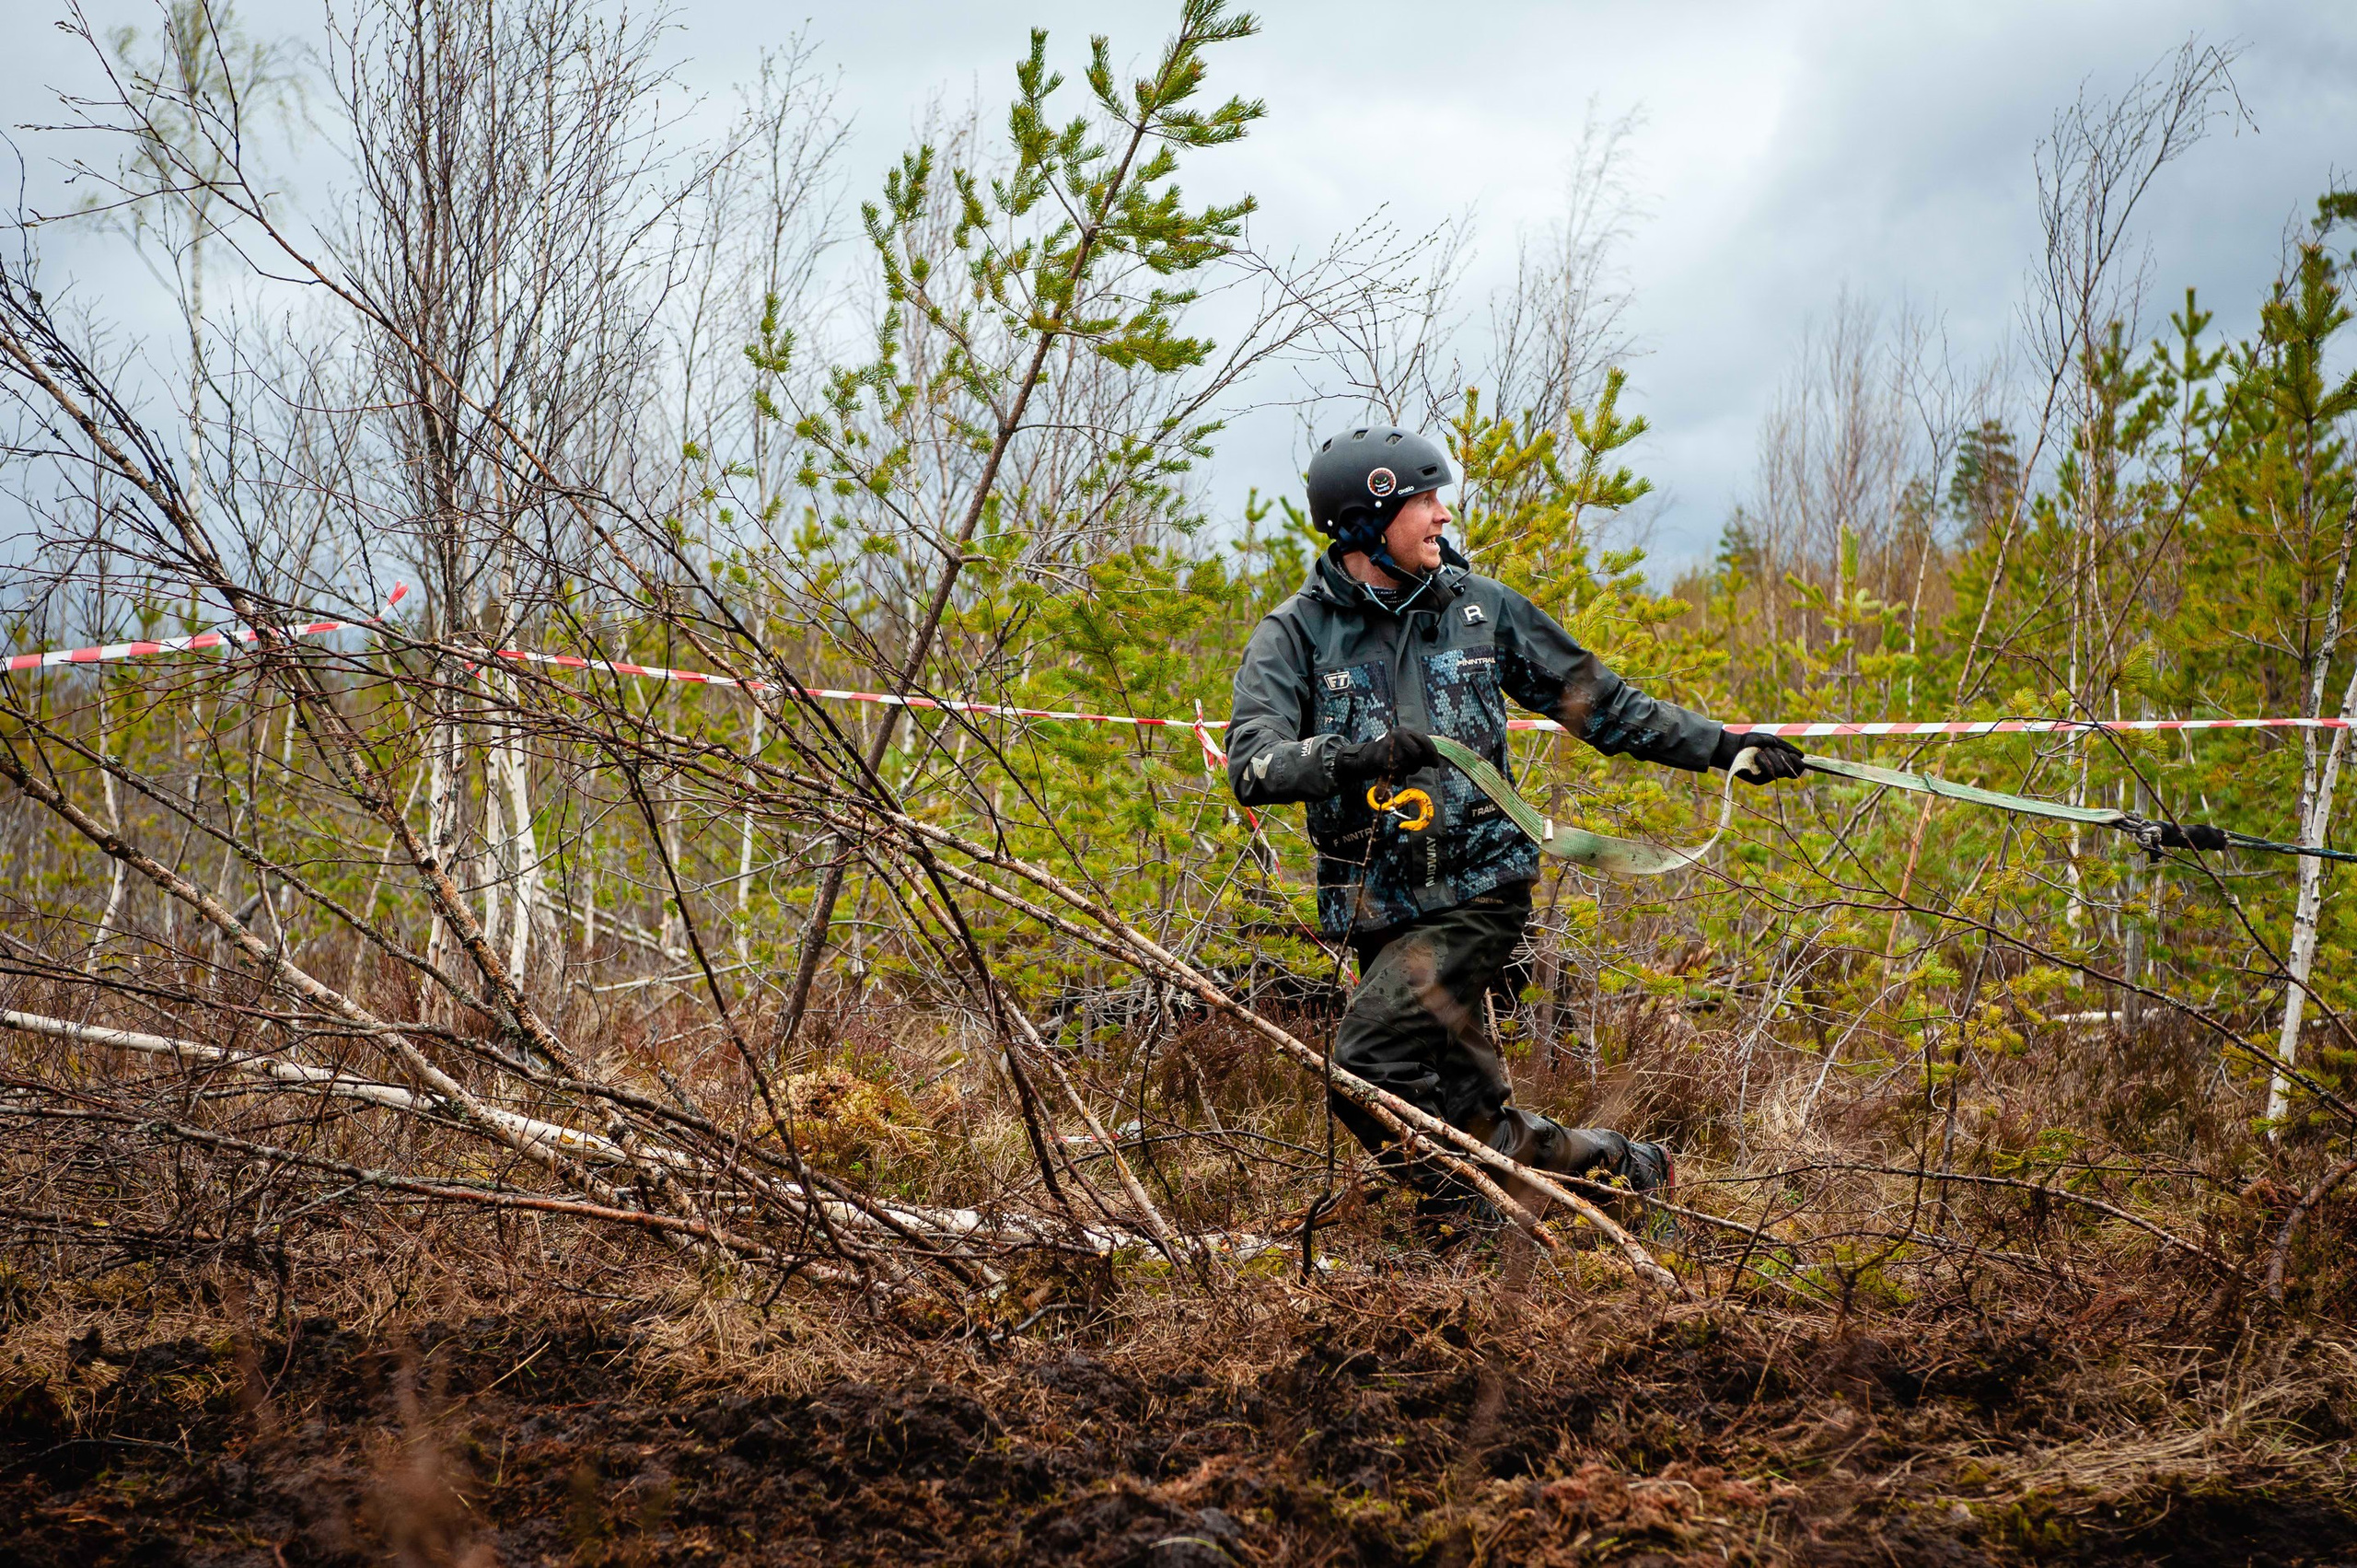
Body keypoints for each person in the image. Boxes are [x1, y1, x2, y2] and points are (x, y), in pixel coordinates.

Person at [1225, 424, 1805, 1225]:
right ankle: (1629, 1168)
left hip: (1479, 889)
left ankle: (1469, 1218)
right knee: (1471, 1118)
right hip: (1375, 904)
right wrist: (1353, 757)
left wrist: (1724, 746)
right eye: (1424, 500)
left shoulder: (1480, 608)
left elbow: (1605, 706)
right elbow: (1251, 765)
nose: (1442, 514)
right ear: (1366, 521)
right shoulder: (1293, 634)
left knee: (1363, 1067)